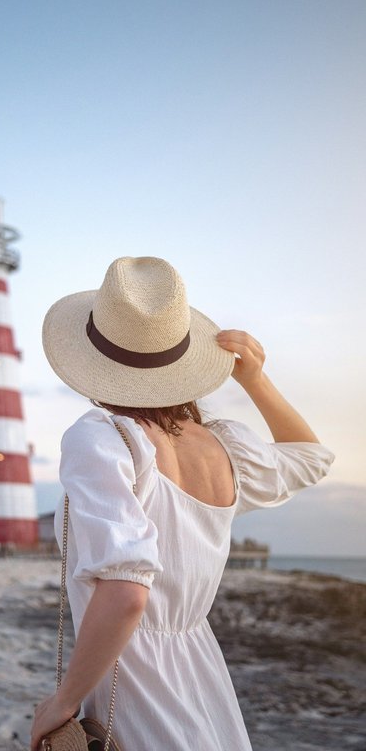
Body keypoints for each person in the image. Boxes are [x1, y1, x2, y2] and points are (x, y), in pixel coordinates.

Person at [31, 257, 334, 751]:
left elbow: (128, 590)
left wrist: (65, 700)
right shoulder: (224, 446)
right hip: (201, 669)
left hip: (133, 680)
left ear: (94, 358)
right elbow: (310, 457)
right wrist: (255, 379)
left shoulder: (102, 438)